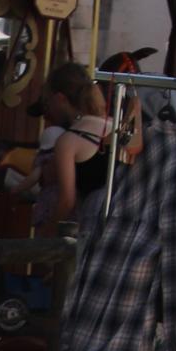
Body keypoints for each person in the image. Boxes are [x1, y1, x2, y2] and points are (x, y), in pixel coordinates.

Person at [30, 59, 114, 230]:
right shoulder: (112, 124)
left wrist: (47, 234)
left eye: (48, 101)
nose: (47, 109)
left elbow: (67, 201)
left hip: (91, 226)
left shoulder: (69, 141)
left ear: (60, 98)